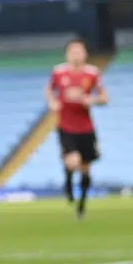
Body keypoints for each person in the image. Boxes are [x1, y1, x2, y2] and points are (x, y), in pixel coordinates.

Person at [48, 38, 107, 218]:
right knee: (72, 161)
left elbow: (104, 97)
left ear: (85, 54)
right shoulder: (59, 73)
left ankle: (82, 205)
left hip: (86, 128)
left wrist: (93, 100)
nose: (75, 54)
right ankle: (68, 182)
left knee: (85, 168)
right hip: (66, 126)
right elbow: (49, 90)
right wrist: (52, 102)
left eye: (79, 51)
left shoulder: (92, 74)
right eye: (72, 51)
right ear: (67, 54)